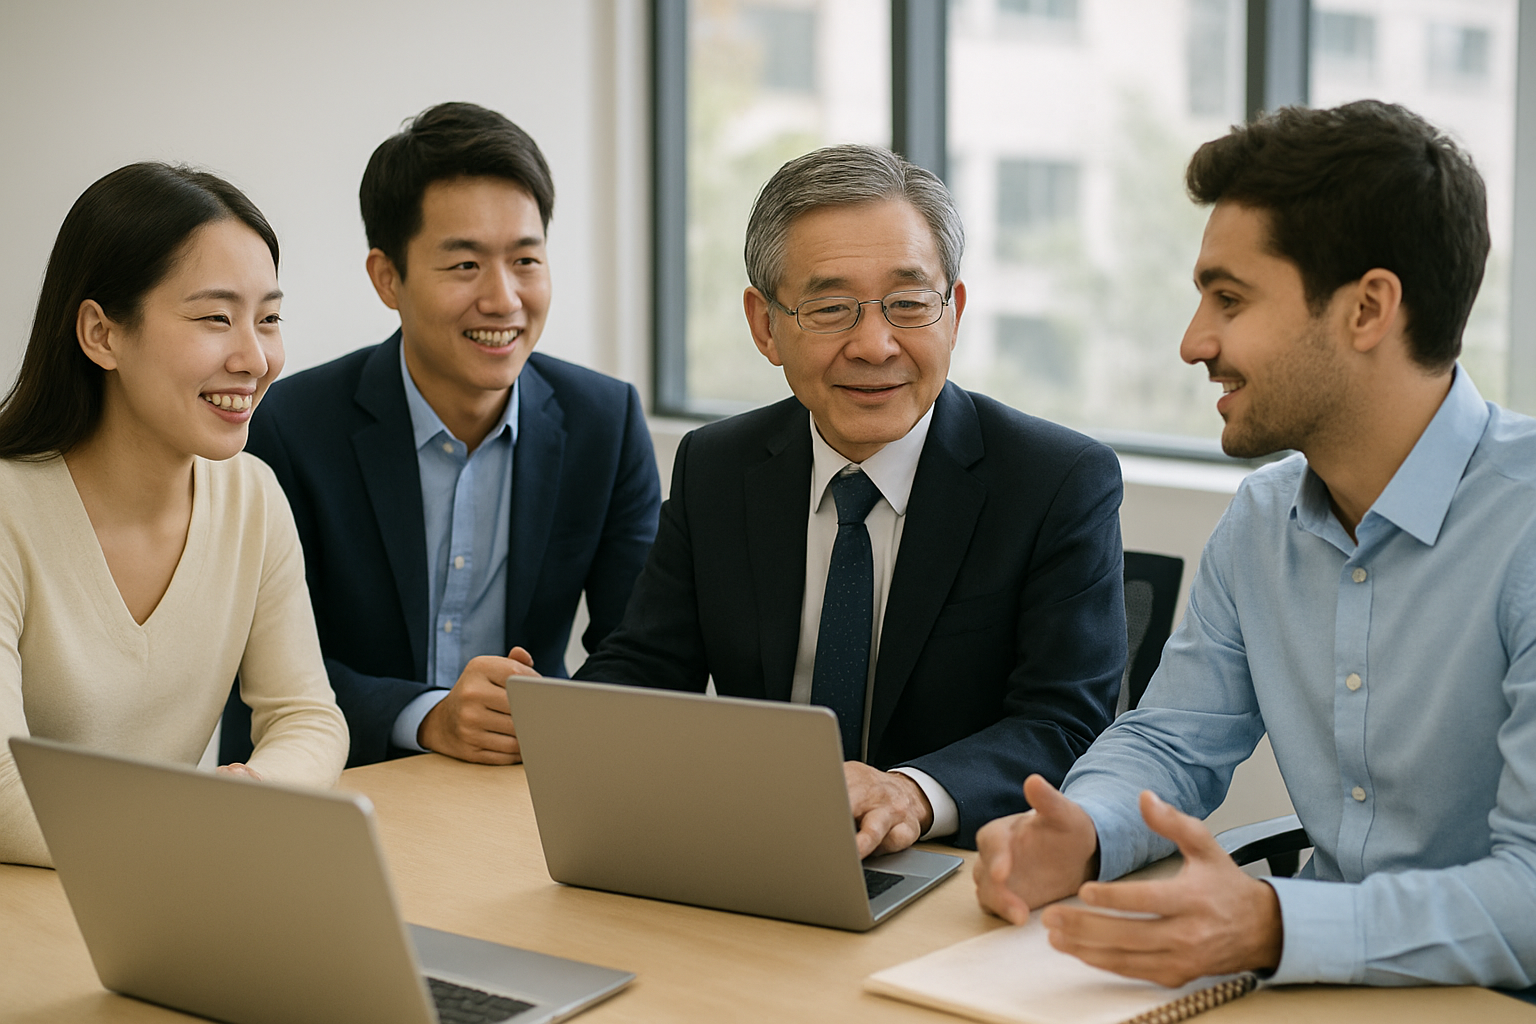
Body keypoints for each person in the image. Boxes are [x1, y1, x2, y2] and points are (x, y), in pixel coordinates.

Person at [973, 100, 1536, 990]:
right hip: (1321, 994)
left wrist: (1274, 920)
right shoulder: (1262, 519)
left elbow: (1531, 896)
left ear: (1368, 309)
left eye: (1229, 299)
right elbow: (1172, 745)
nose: (1196, 342)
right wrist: (1080, 827)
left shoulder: (1527, 530)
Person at [571, 144, 1126, 855]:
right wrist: (545, 717)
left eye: (908, 303)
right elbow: (647, 667)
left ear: (953, 312)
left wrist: (912, 793)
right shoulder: (719, 465)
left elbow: (1063, 724)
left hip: (954, 868)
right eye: (831, 308)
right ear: (764, 325)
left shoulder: (1056, 481)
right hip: (758, 848)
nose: (874, 344)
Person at [220, 102, 661, 768]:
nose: (504, 299)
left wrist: (553, 720)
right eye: (464, 266)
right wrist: (427, 717)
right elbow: (254, 668)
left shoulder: (607, 420)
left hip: (529, 787)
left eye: (526, 260)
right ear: (386, 278)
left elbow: (640, 649)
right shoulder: (289, 427)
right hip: (350, 784)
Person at [0, 163, 349, 867]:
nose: (255, 357)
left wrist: (254, 789)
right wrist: (196, 825)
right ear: (102, 334)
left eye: (269, 318)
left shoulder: (253, 498)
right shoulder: (10, 509)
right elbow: (5, 798)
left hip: (164, 890)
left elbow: (308, 717)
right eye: (215, 318)